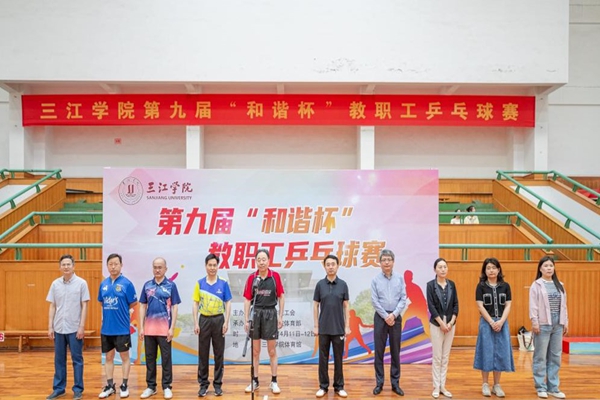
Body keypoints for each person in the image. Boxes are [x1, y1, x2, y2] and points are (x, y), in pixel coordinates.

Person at [45, 255, 90, 400]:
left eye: (68, 264)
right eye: (63, 264)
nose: (66, 267)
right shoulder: (55, 284)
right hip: (59, 328)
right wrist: (50, 326)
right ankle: (59, 388)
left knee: (77, 359)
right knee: (59, 359)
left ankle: (78, 389)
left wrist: (81, 326)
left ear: (73, 266)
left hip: (74, 328)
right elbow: (52, 306)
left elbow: (84, 305)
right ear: (60, 267)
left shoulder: (81, 283)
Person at [243, 248, 285, 394]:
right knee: (255, 351)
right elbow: (247, 299)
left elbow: (281, 296)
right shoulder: (252, 278)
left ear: (269, 261)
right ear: (256, 261)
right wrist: (246, 319)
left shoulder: (275, 276)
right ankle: (255, 381)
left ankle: (274, 381)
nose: (261, 262)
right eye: (259, 260)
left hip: (271, 314)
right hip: (256, 314)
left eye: (264, 259)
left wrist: (280, 316)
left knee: (272, 351)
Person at [139, 257, 181, 400]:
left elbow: (175, 307)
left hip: (165, 329)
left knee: (166, 359)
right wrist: (141, 327)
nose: (157, 270)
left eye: (160, 267)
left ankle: (167, 386)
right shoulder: (147, 286)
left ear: (165, 269)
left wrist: (172, 328)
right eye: (155, 267)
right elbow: (142, 306)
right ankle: (151, 386)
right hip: (149, 329)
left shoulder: (171, 285)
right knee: (150, 358)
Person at [98, 253, 138, 399]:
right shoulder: (103, 284)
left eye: (116, 264)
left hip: (122, 329)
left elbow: (133, 303)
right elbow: (101, 302)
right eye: (110, 264)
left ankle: (124, 385)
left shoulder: (127, 284)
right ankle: (110, 386)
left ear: (121, 265)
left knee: (124, 356)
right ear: (107, 266)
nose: (113, 267)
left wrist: (122, 312)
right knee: (108, 357)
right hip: (107, 329)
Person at [473, 257, 514, 398]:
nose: (491, 270)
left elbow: (508, 305)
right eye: (488, 268)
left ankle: (497, 385)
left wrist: (501, 321)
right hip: (486, 323)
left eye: (494, 268)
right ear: (484, 271)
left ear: (498, 269)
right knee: (486, 351)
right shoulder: (481, 286)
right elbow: (480, 306)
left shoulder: (505, 286)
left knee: (500, 352)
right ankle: (485, 384)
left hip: (502, 322)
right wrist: (491, 322)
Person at [529, 256, 569, 399]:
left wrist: (565, 322)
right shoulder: (536, 285)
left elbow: (564, 306)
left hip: (558, 324)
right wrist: (535, 322)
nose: (549, 268)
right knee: (540, 356)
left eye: (551, 266)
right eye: (545, 266)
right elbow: (533, 305)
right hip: (543, 324)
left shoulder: (560, 285)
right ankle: (541, 387)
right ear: (540, 268)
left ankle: (553, 388)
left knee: (555, 356)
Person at [193, 254, 232, 397]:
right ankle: (203, 385)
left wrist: (226, 321)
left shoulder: (223, 283)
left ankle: (217, 385)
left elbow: (228, 302)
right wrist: (196, 322)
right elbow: (195, 303)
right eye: (210, 265)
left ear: (218, 266)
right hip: (204, 320)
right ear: (205, 266)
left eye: (214, 265)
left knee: (218, 354)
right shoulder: (200, 283)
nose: (212, 268)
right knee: (203, 354)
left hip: (218, 320)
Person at [313, 254, 351, 398]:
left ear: (337, 266)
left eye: (333, 264)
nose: (330, 267)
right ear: (324, 267)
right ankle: (323, 386)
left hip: (338, 328)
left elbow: (346, 306)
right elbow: (315, 306)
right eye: (328, 264)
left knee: (338, 359)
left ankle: (339, 387)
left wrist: (347, 326)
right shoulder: (320, 285)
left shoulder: (343, 285)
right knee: (323, 359)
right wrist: (316, 326)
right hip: (323, 328)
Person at [371, 249, 407, 397]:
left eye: (389, 260)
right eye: (383, 260)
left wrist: (394, 315)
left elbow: (403, 298)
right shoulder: (375, 280)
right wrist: (386, 316)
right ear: (380, 263)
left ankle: (395, 383)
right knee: (379, 351)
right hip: (381, 318)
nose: (386, 262)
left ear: (393, 262)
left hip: (395, 317)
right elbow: (374, 301)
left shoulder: (399, 278)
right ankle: (379, 383)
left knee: (395, 351)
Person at [426, 258, 459, 399]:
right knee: (437, 357)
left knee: (445, 357)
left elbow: (456, 305)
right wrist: (441, 323)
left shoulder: (452, 284)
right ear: (435, 269)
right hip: (436, 323)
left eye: (445, 266)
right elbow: (431, 306)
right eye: (440, 267)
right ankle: (436, 386)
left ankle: (443, 386)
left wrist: (451, 322)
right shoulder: (430, 285)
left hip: (450, 323)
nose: (443, 269)